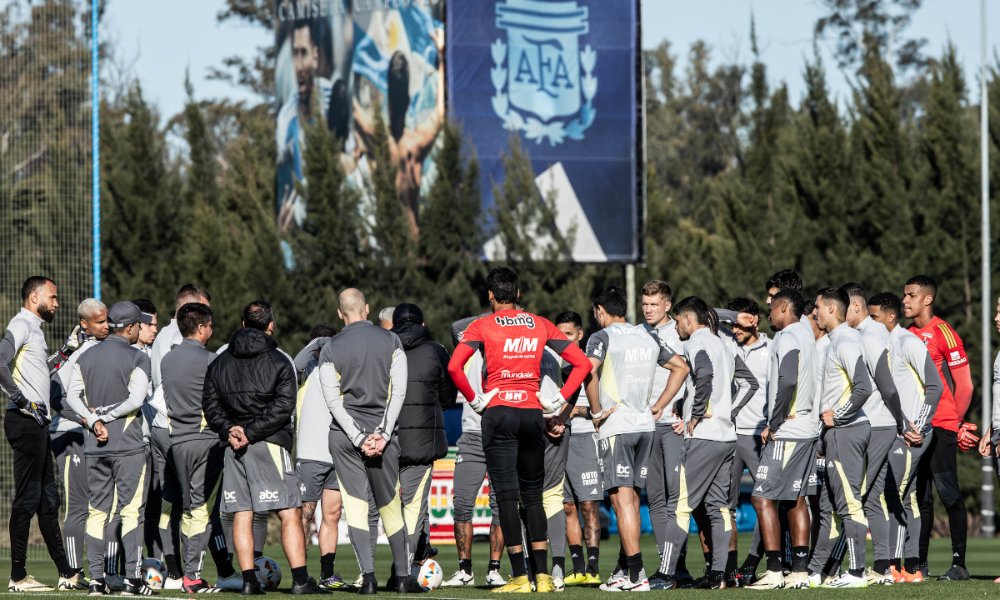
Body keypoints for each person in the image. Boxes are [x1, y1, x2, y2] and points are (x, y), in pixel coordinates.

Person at [447, 267, 591, 594]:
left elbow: (454, 366)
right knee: (533, 495)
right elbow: (581, 364)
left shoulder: (482, 325)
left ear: (490, 295)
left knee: (507, 497)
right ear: (519, 294)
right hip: (531, 413)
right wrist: (560, 397)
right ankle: (542, 576)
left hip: (498, 413)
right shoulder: (539, 323)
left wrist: (474, 399)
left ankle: (519, 577)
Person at [203, 300, 324, 595]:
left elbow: (209, 403)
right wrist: (251, 431)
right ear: (271, 325)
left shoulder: (220, 360)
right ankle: (299, 581)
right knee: (289, 511)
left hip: (233, 446)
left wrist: (229, 429)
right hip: (267, 442)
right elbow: (284, 407)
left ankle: (248, 581)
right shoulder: (280, 360)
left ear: (243, 323)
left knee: (242, 513)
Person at [583, 286, 688, 592]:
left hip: (618, 425)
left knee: (622, 501)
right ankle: (626, 569)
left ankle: (636, 574)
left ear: (600, 311)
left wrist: (596, 411)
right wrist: (658, 406)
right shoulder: (648, 336)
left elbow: (588, 372)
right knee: (631, 500)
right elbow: (680, 368)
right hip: (646, 426)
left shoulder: (601, 337)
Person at [318, 288, 421, 595]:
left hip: (345, 437)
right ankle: (403, 577)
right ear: (366, 309)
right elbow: (399, 392)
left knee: (356, 505)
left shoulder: (330, 347)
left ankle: (369, 578)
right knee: (390, 503)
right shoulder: (391, 340)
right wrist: (384, 434)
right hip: (384, 437)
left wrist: (359, 437)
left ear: (340, 313)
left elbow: (333, 403)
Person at [657, 296, 755, 590]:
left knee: (680, 505)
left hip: (703, 437)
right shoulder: (724, 344)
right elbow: (749, 383)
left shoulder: (695, 342)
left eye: (677, 320)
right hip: (727, 437)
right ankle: (718, 576)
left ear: (688, 319)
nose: (676, 326)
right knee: (720, 509)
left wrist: (696, 414)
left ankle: (664, 575)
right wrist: (726, 411)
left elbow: (705, 373)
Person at [64, 301, 154, 596]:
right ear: (130, 328)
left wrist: (92, 420)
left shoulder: (86, 356)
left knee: (96, 512)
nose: (139, 330)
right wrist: (105, 416)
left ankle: (95, 581)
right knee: (130, 512)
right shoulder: (138, 357)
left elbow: (71, 395)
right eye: (139, 325)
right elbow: (135, 400)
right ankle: (132, 580)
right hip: (127, 446)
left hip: (94, 444)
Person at [0, 276, 81, 592]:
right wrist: (22, 401)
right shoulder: (21, 323)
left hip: (38, 424)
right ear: (35, 298)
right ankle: (18, 577)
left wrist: (66, 351)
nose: (57, 303)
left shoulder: (35, 330)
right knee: (29, 497)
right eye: (53, 297)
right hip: (24, 421)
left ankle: (66, 573)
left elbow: (39, 372)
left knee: (49, 500)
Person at [903, 275, 976, 580]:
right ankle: (919, 564)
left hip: (942, 425)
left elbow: (966, 385)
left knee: (949, 495)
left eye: (911, 295)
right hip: (915, 429)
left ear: (927, 299)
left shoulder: (945, 333)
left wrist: (954, 424)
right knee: (920, 498)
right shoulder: (906, 335)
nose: (905, 300)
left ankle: (959, 564)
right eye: (904, 295)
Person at [160, 302, 237, 593]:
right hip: (207, 442)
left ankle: (187, 572)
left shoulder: (167, 360)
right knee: (202, 511)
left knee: (189, 509)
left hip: (177, 441)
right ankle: (192, 575)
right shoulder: (210, 361)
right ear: (203, 328)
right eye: (211, 326)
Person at [868, 292, 942, 583]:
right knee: (908, 497)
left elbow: (934, 386)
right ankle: (912, 567)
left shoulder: (907, 342)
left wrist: (919, 428)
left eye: (873, 318)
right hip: (895, 433)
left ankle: (891, 566)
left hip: (912, 435)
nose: (869, 324)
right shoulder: (879, 346)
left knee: (890, 495)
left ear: (890, 317)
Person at [747, 290, 819, 590]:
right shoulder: (806, 332)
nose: (768, 313)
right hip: (808, 428)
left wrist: (773, 423)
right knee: (795, 498)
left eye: (772, 308)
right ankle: (799, 571)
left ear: (785, 307)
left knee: (761, 497)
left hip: (788, 431)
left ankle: (774, 570)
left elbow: (788, 379)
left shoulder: (788, 335)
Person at [806, 287, 873, 589]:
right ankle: (816, 572)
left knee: (849, 503)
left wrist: (839, 415)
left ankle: (857, 572)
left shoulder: (846, 340)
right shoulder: (834, 342)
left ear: (832, 309)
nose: (814, 313)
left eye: (818, 307)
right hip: (834, 434)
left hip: (847, 431)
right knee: (830, 507)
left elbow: (863, 387)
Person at [841, 284, 905, 585]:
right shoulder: (866, 334)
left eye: (845, 309)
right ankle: (882, 568)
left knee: (863, 494)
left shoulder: (872, 334)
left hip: (878, 423)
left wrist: (901, 420)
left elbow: (885, 383)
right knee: (871, 498)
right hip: (876, 423)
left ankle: (874, 568)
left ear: (855, 307)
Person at [353, 30, 445, 238]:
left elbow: (352, 109)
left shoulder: (380, 142)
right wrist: (441, 58)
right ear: (407, 97)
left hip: (390, 243)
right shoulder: (416, 142)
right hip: (412, 240)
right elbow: (440, 111)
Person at [149, 284, 211, 587]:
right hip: (182, 429)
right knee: (193, 504)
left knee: (168, 500)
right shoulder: (180, 340)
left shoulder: (160, 336)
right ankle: (186, 571)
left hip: (160, 427)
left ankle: (167, 564)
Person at [440, 316, 507, 589]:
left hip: (502, 435)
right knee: (463, 504)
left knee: (500, 507)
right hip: (471, 436)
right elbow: (455, 326)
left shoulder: (508, 348)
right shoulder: (468, 345)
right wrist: (494, 317)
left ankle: (494, 569)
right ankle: (464, 570)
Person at [391, 304, 456, 574]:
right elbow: (449, 397)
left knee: (386, 510)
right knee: (414, 510)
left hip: (385, 441)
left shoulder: (384, 349)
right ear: (423, 323)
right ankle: (403, 573)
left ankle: (369, 573)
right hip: (422, 444)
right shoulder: (436, 350)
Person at [638, 281, 694, 589]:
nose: (648, 310)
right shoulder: (637, 334)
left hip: (673, 427)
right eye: (645, 304)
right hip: (645, 428)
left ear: (668, 305)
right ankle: (665, 567)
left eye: (654, 304)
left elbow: (696, 376)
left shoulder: (682, 334)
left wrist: (686, 415)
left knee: (678, 500)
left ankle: (679, 567)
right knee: (655, 499)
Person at [49, 298, 109, 583]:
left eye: (107, 320)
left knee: (102, 506)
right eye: (99, 322)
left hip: (91, 432)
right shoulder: (76, 353)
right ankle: (70, 574)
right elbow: (55, 398)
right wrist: (87, 418)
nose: (106, 326)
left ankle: (104, 570)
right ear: (84, 324)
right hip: (69, 433)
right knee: (78, 505)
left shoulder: (105, 349)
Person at [719, 297, 770, 585]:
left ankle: (752, 563)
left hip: (759, 434)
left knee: (765, 501)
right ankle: (728, 570)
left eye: (740, 323)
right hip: (728, 434)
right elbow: (707, 313)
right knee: (725, 506)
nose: (734, 329)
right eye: (731, 324)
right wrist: (732, 317)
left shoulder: (773, 347)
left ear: (755, 320)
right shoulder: (726, 343)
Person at [293, 328, 348, 590]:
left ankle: (328, 573)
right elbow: (295, 363)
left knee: (332, 514)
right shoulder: (306, 370)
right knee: (304, 514)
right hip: (310, 452)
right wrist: (318, 343)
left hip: (337, 453)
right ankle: (301, 575)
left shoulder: (341, 368)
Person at [554, 312, 602, 586]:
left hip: (585, 439)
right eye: (559, 334)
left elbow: (599, 406)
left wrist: (580, 412)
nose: (564, 339)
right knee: (567, 506)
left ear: (580, 335)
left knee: (588, 505)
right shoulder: (550, 363)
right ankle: (577, 566)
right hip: (559, 439)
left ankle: (593, 566)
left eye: (568, 334)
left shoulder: (591, 362)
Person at [277, 17, 331, 233]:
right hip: (305, 224)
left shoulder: (334, 100)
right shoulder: (286, 118)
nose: (299, 66)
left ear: (316, 56)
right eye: (295, 54)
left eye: (304, 53)